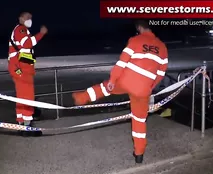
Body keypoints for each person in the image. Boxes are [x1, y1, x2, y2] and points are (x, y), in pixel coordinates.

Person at [72, 20, 168, 164]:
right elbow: (161, 73)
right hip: (143, 89)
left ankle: (81, 98)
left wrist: (112, 80)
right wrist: (149, 86)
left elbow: (121, 63)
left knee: (105, 88)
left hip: (126, 80)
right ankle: (139, 153)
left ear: (140, 28)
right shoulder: (162, 47)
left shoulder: (135, 40)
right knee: (139, 120)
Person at [8, 11, 48, 131]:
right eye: (27, 17)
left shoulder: (20, 30)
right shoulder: (21, 30)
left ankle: (21, 122)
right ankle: (27, 124)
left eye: (31, 17)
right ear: (20, 18)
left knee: (21, 96)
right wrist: (41, 34)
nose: (29, 19)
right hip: (21, 69)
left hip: (18, 68)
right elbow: (27, 44)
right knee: (28, 96)